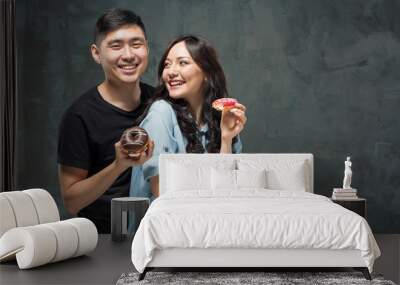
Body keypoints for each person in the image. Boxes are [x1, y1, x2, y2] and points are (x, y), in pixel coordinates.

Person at [57, 8, 154, 233]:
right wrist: (118, 166)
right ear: (96, 53)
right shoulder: (79, 116)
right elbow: (72, 202)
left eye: (136, 44)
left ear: (147, 48)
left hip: (156, 234)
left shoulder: (162, 104)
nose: (128, 55)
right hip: (103, 239)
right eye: (116, 45)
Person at [130, 35, 247, 199]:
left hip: (205, 219)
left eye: (183, 63)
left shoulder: (221, 120)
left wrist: (226, 139)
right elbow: (162, 195)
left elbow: (227, 191)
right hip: (164, 220)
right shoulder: (161, 113)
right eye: (167, 65)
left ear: (206, 73)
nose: (171, 72)